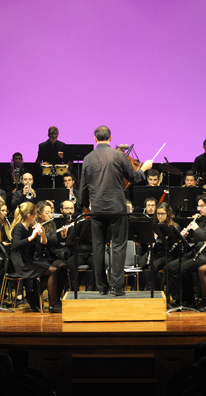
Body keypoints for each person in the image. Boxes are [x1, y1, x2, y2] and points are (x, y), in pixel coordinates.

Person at [78, 125, 152, 296]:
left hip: (96, 209)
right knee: (118, 246)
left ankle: (101, 287)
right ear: (110, 138)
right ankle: (117, 287)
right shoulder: (119, 155)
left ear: (95, 139)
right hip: (117, 208)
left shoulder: (88, 158)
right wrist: (144, 169)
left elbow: (83, 187)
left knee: (98, 247)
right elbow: (133, 178)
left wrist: (84, 204)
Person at [165, 194, 206, 307]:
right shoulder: (202, 220)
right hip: (197, 252)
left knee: (184, 268)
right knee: (170, 267)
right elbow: (196, 240)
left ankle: (189, 300)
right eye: (198, 206)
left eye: (202, 206)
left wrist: (196, 229)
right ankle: (179, 298)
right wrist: (186, 237)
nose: (199, 209)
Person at [10, 202, 64, 312]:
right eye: (34, 214)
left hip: (28, 260)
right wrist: (32, 236)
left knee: (52, 271)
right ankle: (52, 303)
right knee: (52, 271)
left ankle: (33, 296)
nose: (36, 217)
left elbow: (42, 243)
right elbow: (15, 245)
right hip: (20, 262)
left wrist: (42, 233)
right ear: (29, 215)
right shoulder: (19, 227)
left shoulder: (29, 227)